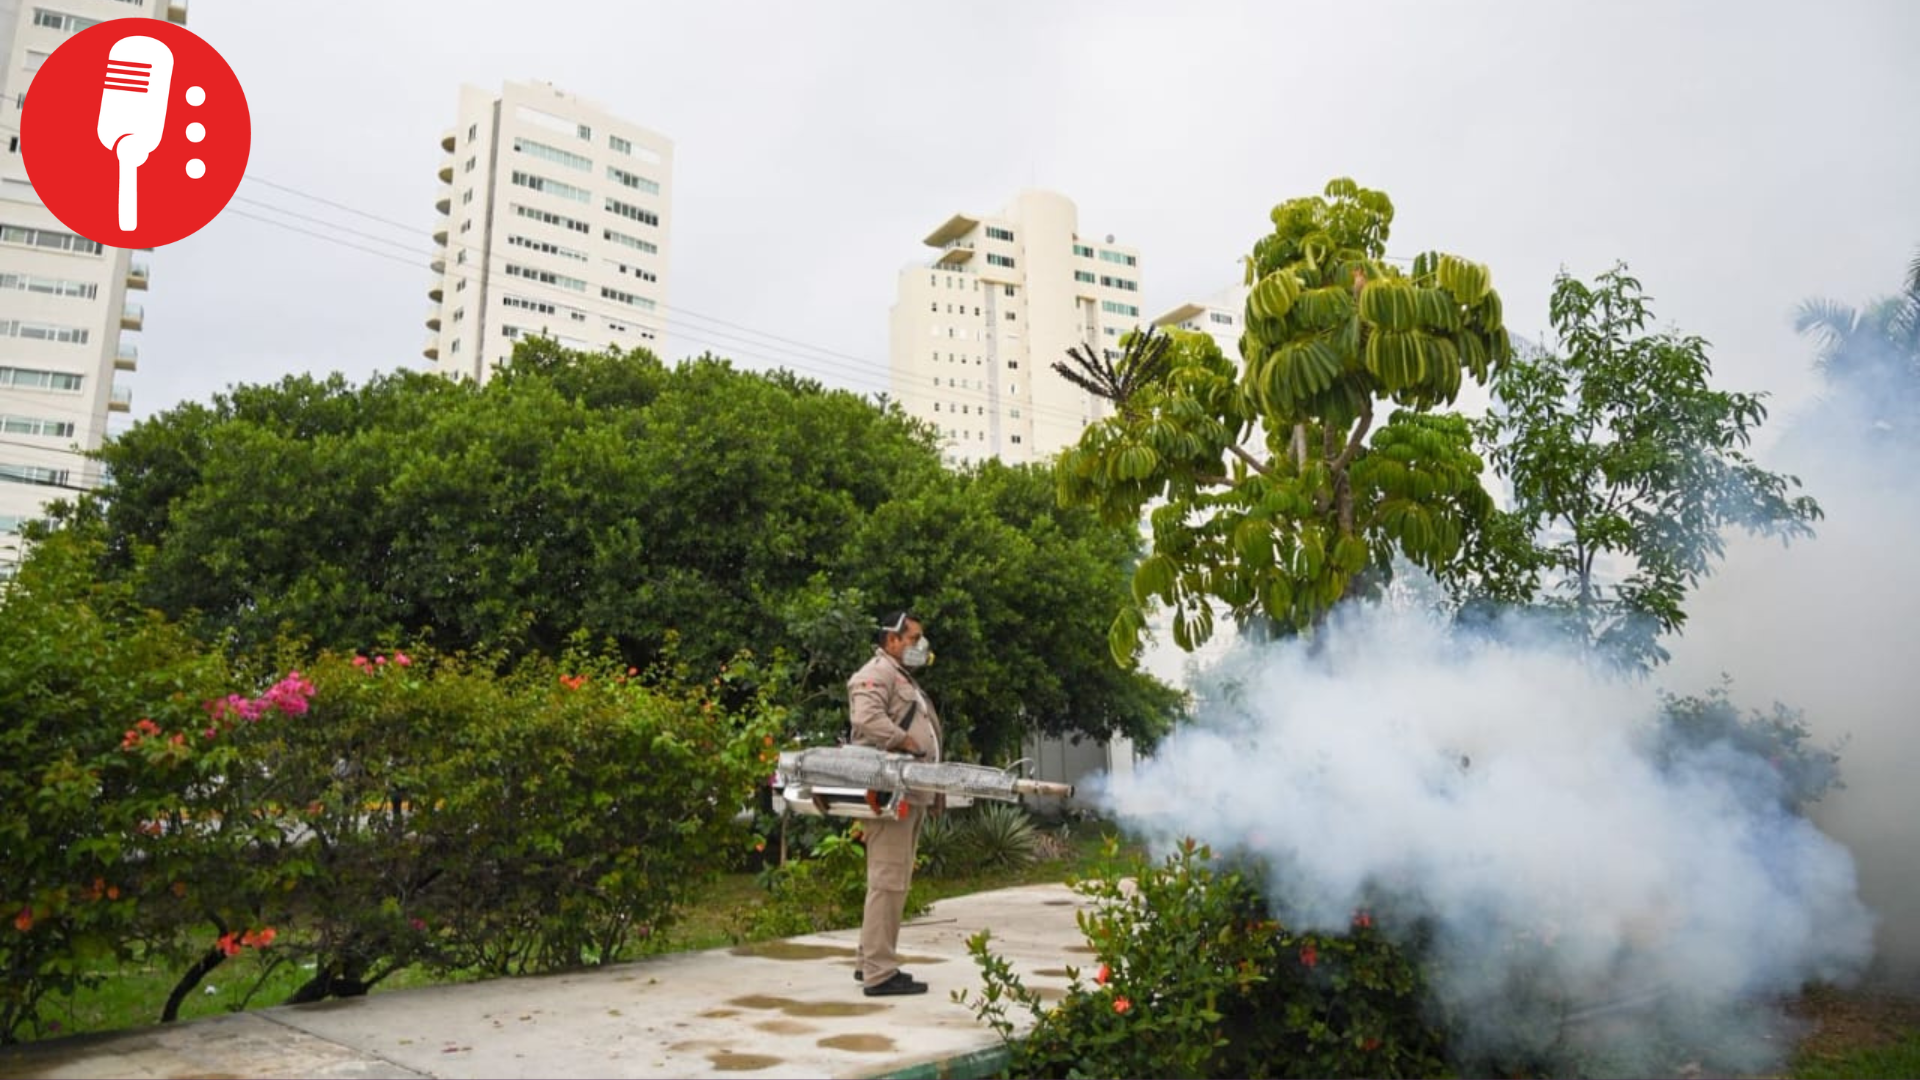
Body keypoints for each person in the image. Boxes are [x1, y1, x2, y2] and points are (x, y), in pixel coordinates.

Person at [846, 610, 943, 997]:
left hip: (910, 791)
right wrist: (904, 741)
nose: (920, 646)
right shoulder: (877, 672)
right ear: (892, 640)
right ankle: (880, 972)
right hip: (890, 793)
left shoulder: (902, 677)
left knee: (893, 881)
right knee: (888, 881)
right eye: (914, 638)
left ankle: (868, 960)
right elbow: (866, 718)